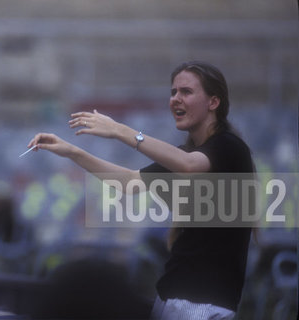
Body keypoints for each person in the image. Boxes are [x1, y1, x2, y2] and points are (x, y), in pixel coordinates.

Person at [27, 61, 254, 319]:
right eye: (173, 92)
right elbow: (129, 183)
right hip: (171, 299)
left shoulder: (230, 148)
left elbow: (190, 166)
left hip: (205, 307)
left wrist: (119, 131)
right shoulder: (184, 155)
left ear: (213, 102)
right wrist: (73, 152)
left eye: (186, 92)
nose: (176, 99)